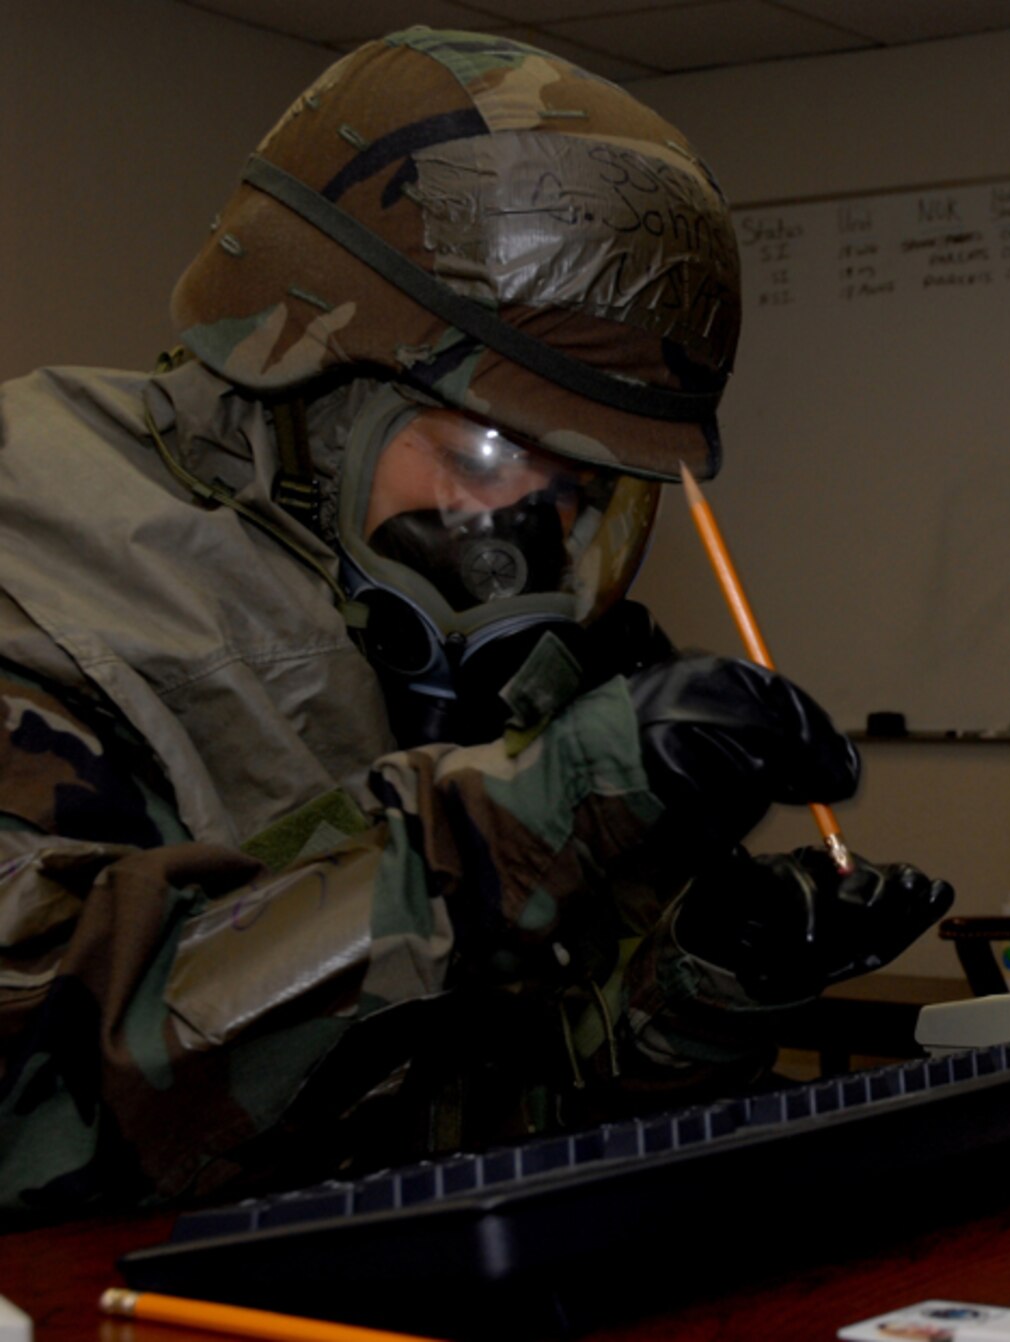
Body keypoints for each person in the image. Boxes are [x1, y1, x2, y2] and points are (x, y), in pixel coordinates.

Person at [0, 28, 951, 1216]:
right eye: (491, 455)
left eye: (588, 494)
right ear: (316, 388)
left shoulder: (505, 654)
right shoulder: (38, 570)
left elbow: (501, 1118)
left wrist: (704, 986)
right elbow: (40, 1118)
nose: (528, 536)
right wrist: (511, 831)